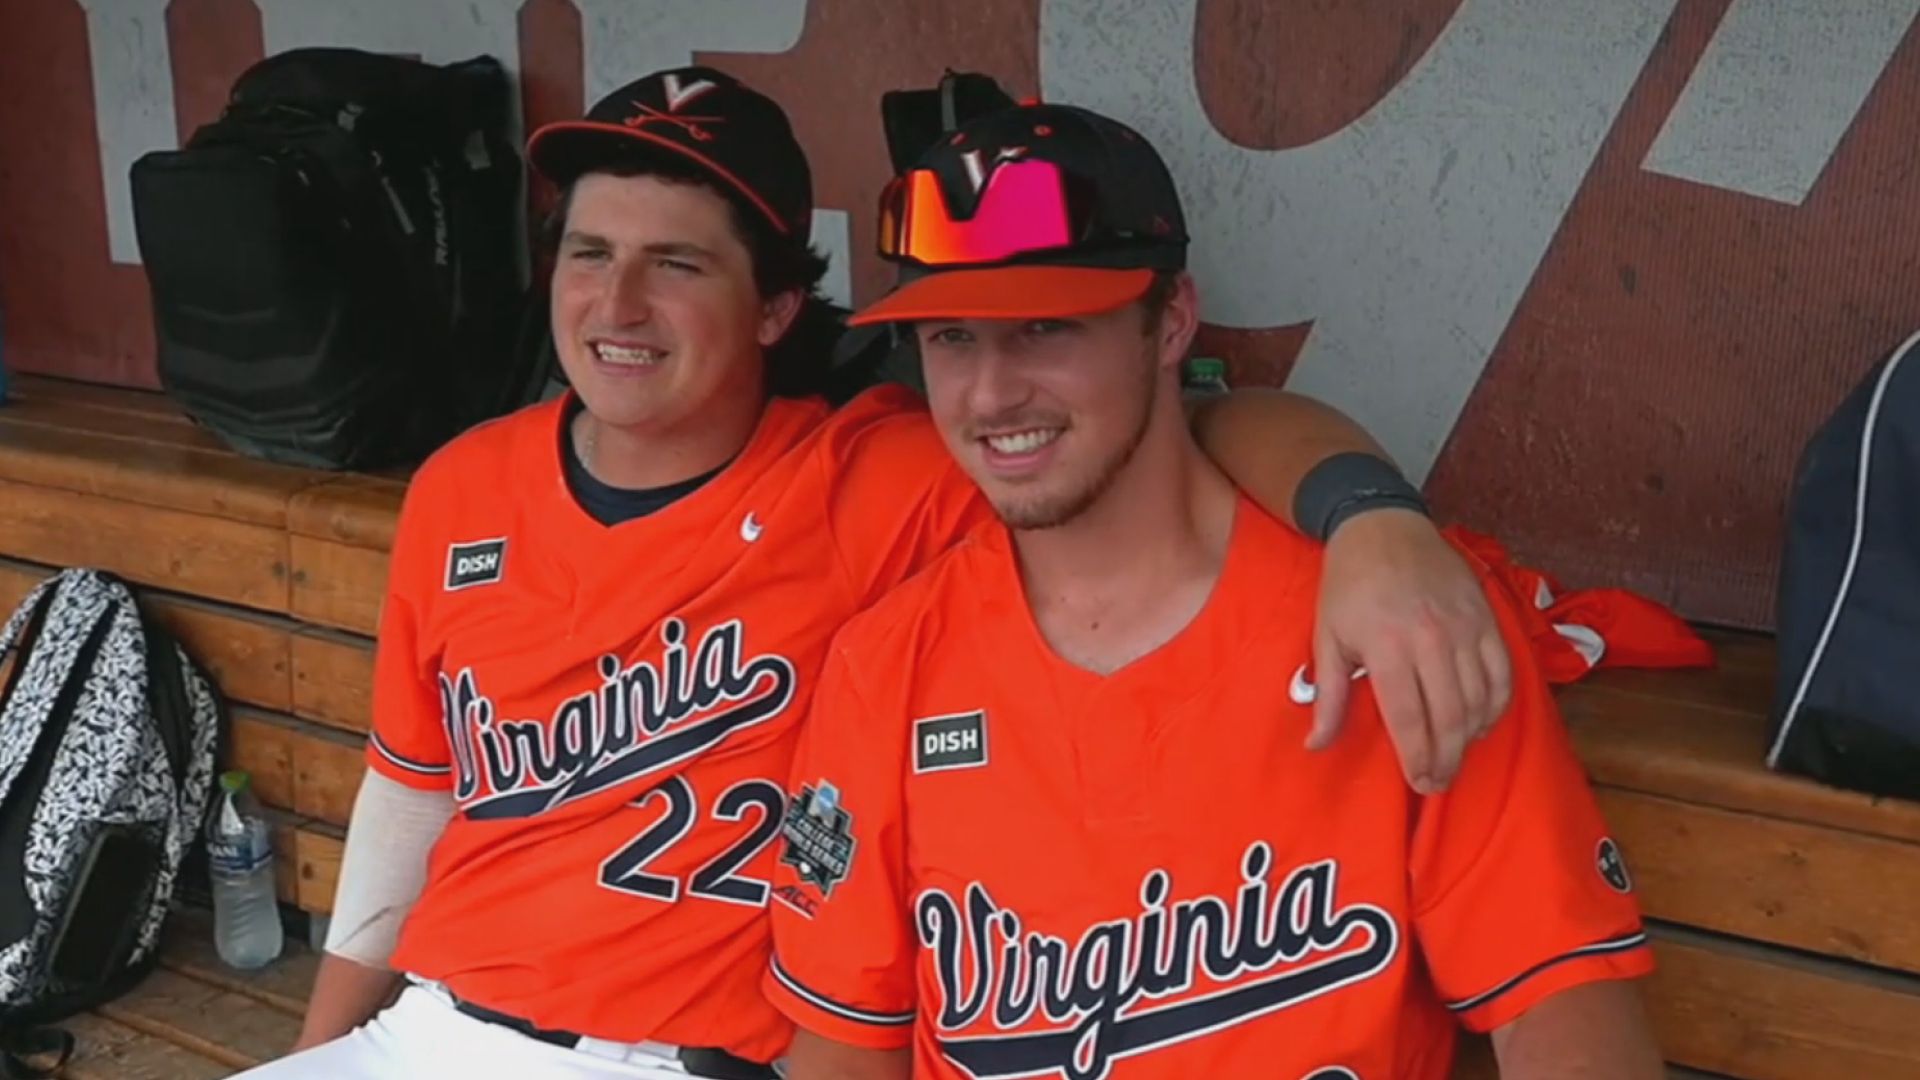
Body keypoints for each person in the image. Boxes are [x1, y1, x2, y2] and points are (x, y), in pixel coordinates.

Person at [243, 68, 1514, 1080]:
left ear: (777, 310)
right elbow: (408, 799)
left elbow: (1181, 433)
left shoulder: (887, 478)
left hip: (675, 1060)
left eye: (677, 264)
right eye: (590, 252)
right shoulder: (462, 486)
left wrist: (1371, 514)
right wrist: (323, 1054)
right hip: (427, 1028)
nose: (617, 303)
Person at [763, 100, 1664, 1079]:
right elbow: (844, 1048)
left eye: (1045, 327)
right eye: (950, 338)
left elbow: (1565, 1017)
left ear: (1172, 320)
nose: (989, 394)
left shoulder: (1396, 620)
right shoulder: (889, 666)